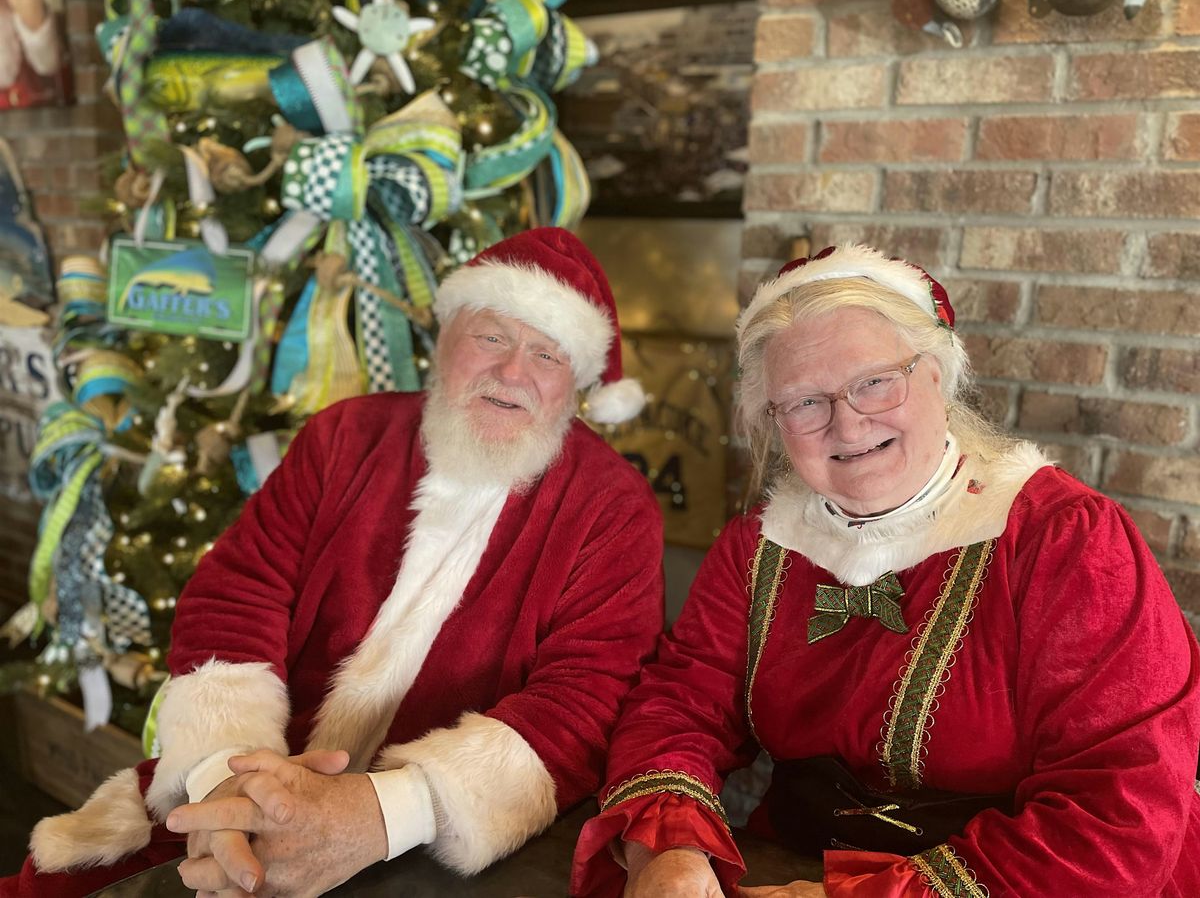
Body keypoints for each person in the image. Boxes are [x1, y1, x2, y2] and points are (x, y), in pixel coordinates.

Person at [5, 227, 665, 898]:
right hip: (256, 770)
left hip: (430, 837)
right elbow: (238, 591)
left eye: (547, 355)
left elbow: (584, 701)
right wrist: (227, 778)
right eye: (491, 337)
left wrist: (382, 814)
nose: (512, 373)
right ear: (444, 342)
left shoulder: (615, 509)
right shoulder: (344, 435)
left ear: (576, 387)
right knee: (54, 884)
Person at [571, 243, 1200, 897]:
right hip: (797, 870)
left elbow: (1121, 808)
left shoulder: (1068, 542)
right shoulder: (758, 547)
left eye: (875, 381)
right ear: (775, 421)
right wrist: (666, 846)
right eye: (805, 402)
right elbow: (679, 704)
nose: (848, 423)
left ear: (937, 375)